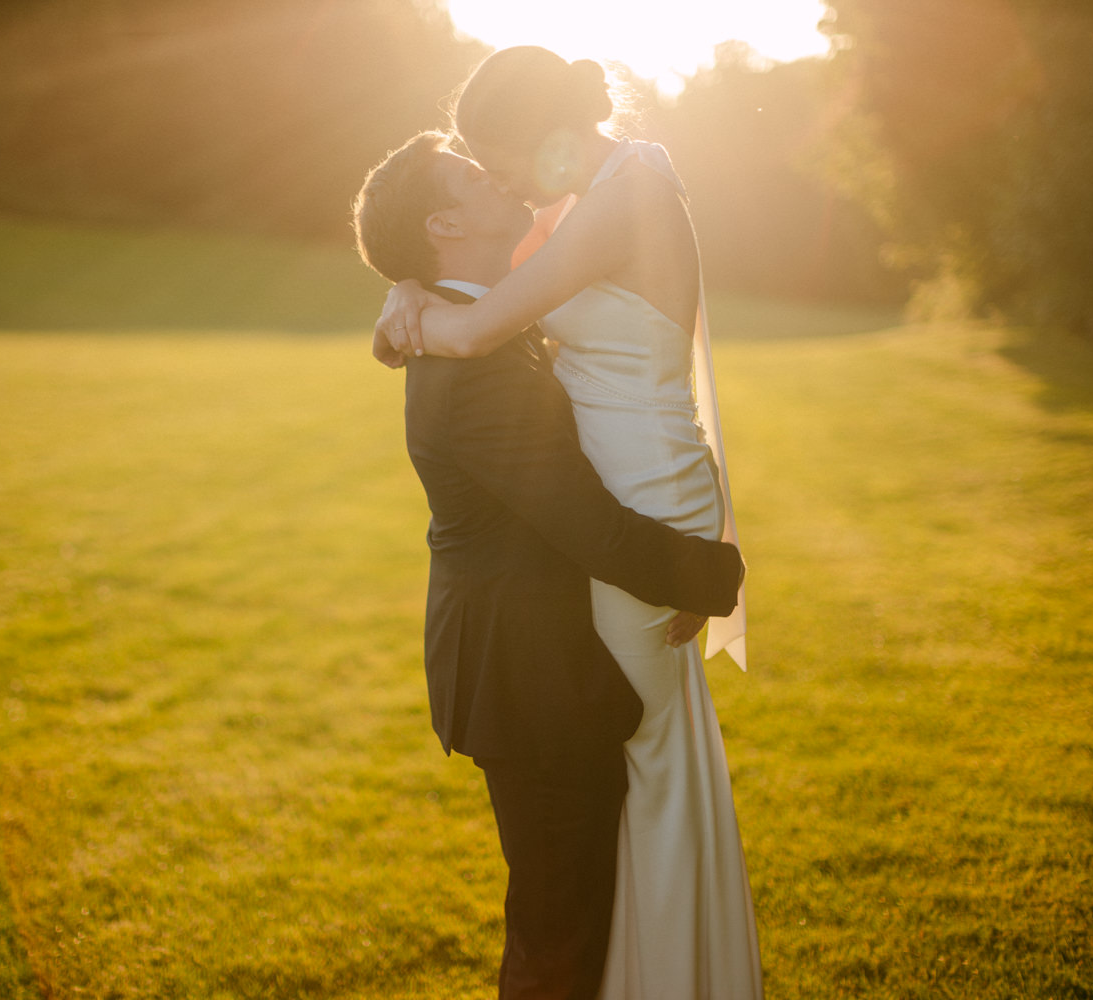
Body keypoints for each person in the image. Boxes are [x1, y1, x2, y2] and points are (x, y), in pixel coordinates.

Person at [374, 48, 763, 1000]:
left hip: (643, 501)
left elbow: (472, 324)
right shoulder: (589, 199)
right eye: (479, 169)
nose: (500, 177)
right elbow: (470, 292)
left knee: (646, 776)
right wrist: (405, 287)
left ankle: (667, 973)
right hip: (620, 518)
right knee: (636, 785)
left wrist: (407, 305)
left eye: (491, 157)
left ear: (540, 137)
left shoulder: (617, 199)